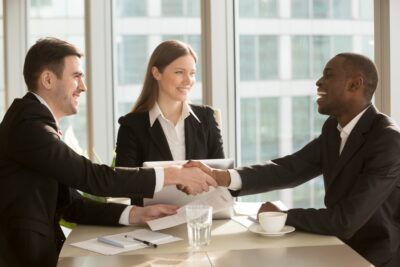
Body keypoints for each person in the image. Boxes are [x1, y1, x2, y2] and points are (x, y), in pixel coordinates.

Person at [0, 37, 217, 267]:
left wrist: (136, 214)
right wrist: (173, 174)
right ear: (48, 79)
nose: (83, 86)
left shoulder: (33, 122)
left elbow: (72, 205)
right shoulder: (29, 125)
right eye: (76, 76)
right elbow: (93, 178)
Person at [185, 53, 400, 267]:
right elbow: (289, 168)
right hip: (336, 247)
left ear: (354, 85)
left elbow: (346, 221)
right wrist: (220, 176)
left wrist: (282, 216)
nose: (318, 82)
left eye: (328, 75)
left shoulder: (388, 140)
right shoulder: (333, 130)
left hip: (374, 257)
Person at [115, 40, 225, 205]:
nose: (188, 81)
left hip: (202, 216)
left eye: (192, 73)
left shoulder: (207, 118)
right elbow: (124, 183)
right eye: (180, 72)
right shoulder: (131, 126)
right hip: (152, 222)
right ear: (157, 73)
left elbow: (221, 177)